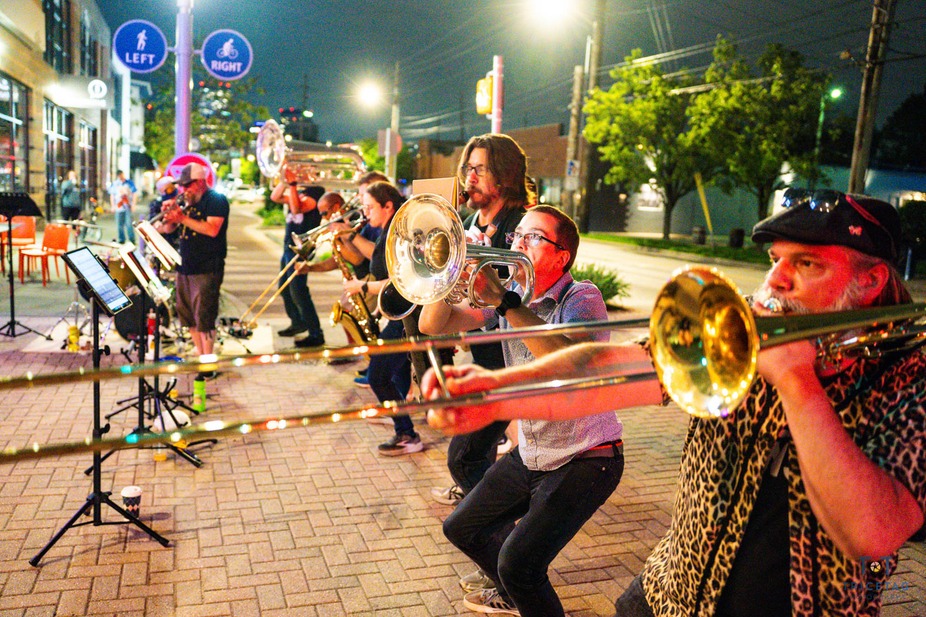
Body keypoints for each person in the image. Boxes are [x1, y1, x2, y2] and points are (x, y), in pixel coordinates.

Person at [423, 189, 926, 617]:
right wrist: (498, 392)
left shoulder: (907, 376)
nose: (776, 280)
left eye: (807, 263)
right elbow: (612, 370)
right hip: (669, 593)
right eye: (776, 259)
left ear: (870, 281)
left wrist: (797, 381)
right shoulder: (742, 336)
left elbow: (873, 531)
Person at [419, 205, 619, 617]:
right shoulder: (513, 296)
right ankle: (515, 595)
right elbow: (433, 324)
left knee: (518, 566)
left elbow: (570, 363)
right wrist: (445, 275)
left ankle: (518, 588)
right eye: (518, 235)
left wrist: (505, 302)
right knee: (462, 528)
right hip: (533, 451)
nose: (519, 243)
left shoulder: (581, 296)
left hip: (587, 457)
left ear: (561, 255)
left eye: (534, 237)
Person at [430, 133, 528, 509]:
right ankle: (483, 498)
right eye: (468, 168)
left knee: (464, 455)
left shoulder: (522, 224)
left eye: (480, 169)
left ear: (505, 174)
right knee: (475, 451)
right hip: (485, 351)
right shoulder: (470, 220)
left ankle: (491, 518)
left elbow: (526, 291)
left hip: (514, 358)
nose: (469, 178)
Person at [336, 181, 420, 455]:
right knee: (397, 373)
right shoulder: (388, 230)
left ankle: (407, 433)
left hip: (406, 316)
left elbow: (400, 281)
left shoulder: (398, 234)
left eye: (370, 207)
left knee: (378, 376)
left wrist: (362, 287)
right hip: (398, 314)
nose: (365, 212)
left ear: (388, 206)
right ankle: (402, 424)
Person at [156, 163, 229, 371]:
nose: (183, 189)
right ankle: (200, 356)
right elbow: (168, 228)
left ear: (200, 182)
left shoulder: (216, 200)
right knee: (187, 316)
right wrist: (170, 215)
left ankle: (208, 362)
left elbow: (212, 229)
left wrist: (182, 217)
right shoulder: (187, 203)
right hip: (185, 265)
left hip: (207, 267)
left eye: (187, 185)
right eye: (182, 185)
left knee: (204, 317)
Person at [269, 166, 326, 347]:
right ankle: (298, 322)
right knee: (284, 287)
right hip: (289, 246)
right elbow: (275, 197)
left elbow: (296, 209)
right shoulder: (301, 190)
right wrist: (285, 180)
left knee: (298, 291)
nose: (301, 171)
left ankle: (316, 333)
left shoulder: (317, 192)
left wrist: (293, 184)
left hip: (301, 248)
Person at [149, 175, 180, 250]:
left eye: (174, 187)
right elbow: (154, 226)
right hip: (164, 244)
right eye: (170, 189)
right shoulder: (156, 204)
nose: (174, 190)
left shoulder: (181, 201)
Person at [108, 170, 137, 244]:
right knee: (119, 224)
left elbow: (134, 193)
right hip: (119, 206)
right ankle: (121, 239)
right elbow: (112, 195)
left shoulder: (129, 183)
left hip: (128, 206)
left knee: (129, 223)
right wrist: (112, 206)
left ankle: (132, 239)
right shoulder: (115, 184)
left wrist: (133, 204)